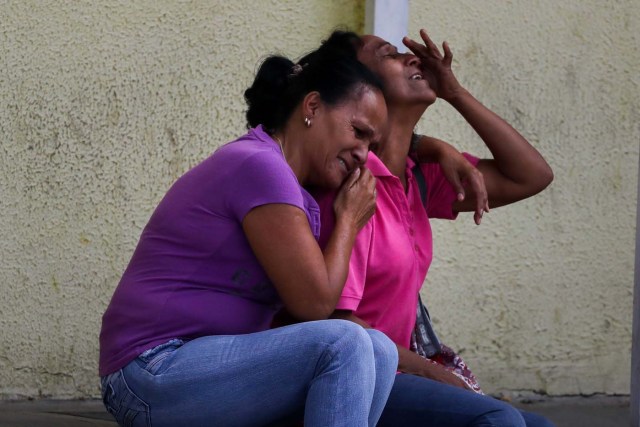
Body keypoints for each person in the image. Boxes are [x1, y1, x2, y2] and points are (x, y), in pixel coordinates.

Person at [98, 32, 399, 427]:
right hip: (150, 368)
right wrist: (348, 221)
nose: (363, 155)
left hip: (204, 370)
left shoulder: (296, 192)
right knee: (346, 342)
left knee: (380, 349)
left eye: (372, 146)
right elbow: (315, 304)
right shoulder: (260, 166)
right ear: (312, 106)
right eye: (358, 132)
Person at [313, 29, 555, 426]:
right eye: (390, 54)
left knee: (539, 425)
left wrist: (455, 93)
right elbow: (336, 323)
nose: (415, 59)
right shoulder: (354, 183)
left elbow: (531, 176)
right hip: (359, 374)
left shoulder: (420, 177)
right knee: (499, 422)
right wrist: (434, 372)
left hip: (400, 371)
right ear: (357, 85)